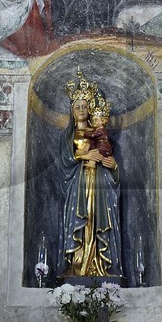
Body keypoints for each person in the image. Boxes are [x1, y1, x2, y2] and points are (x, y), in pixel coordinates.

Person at [59, 74, 122, 280]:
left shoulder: (99, 133)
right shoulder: (67, 135)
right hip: (77, 185)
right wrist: (84, 155)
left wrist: (113, 167)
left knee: (97, 221)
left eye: (85, 106)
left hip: (99, 185)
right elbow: (64, 162)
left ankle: (97, 263)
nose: (81, 110)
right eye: (77, 106)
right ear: (72, 109)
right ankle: (77, 264)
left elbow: (110, 162)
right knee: (80, 220)